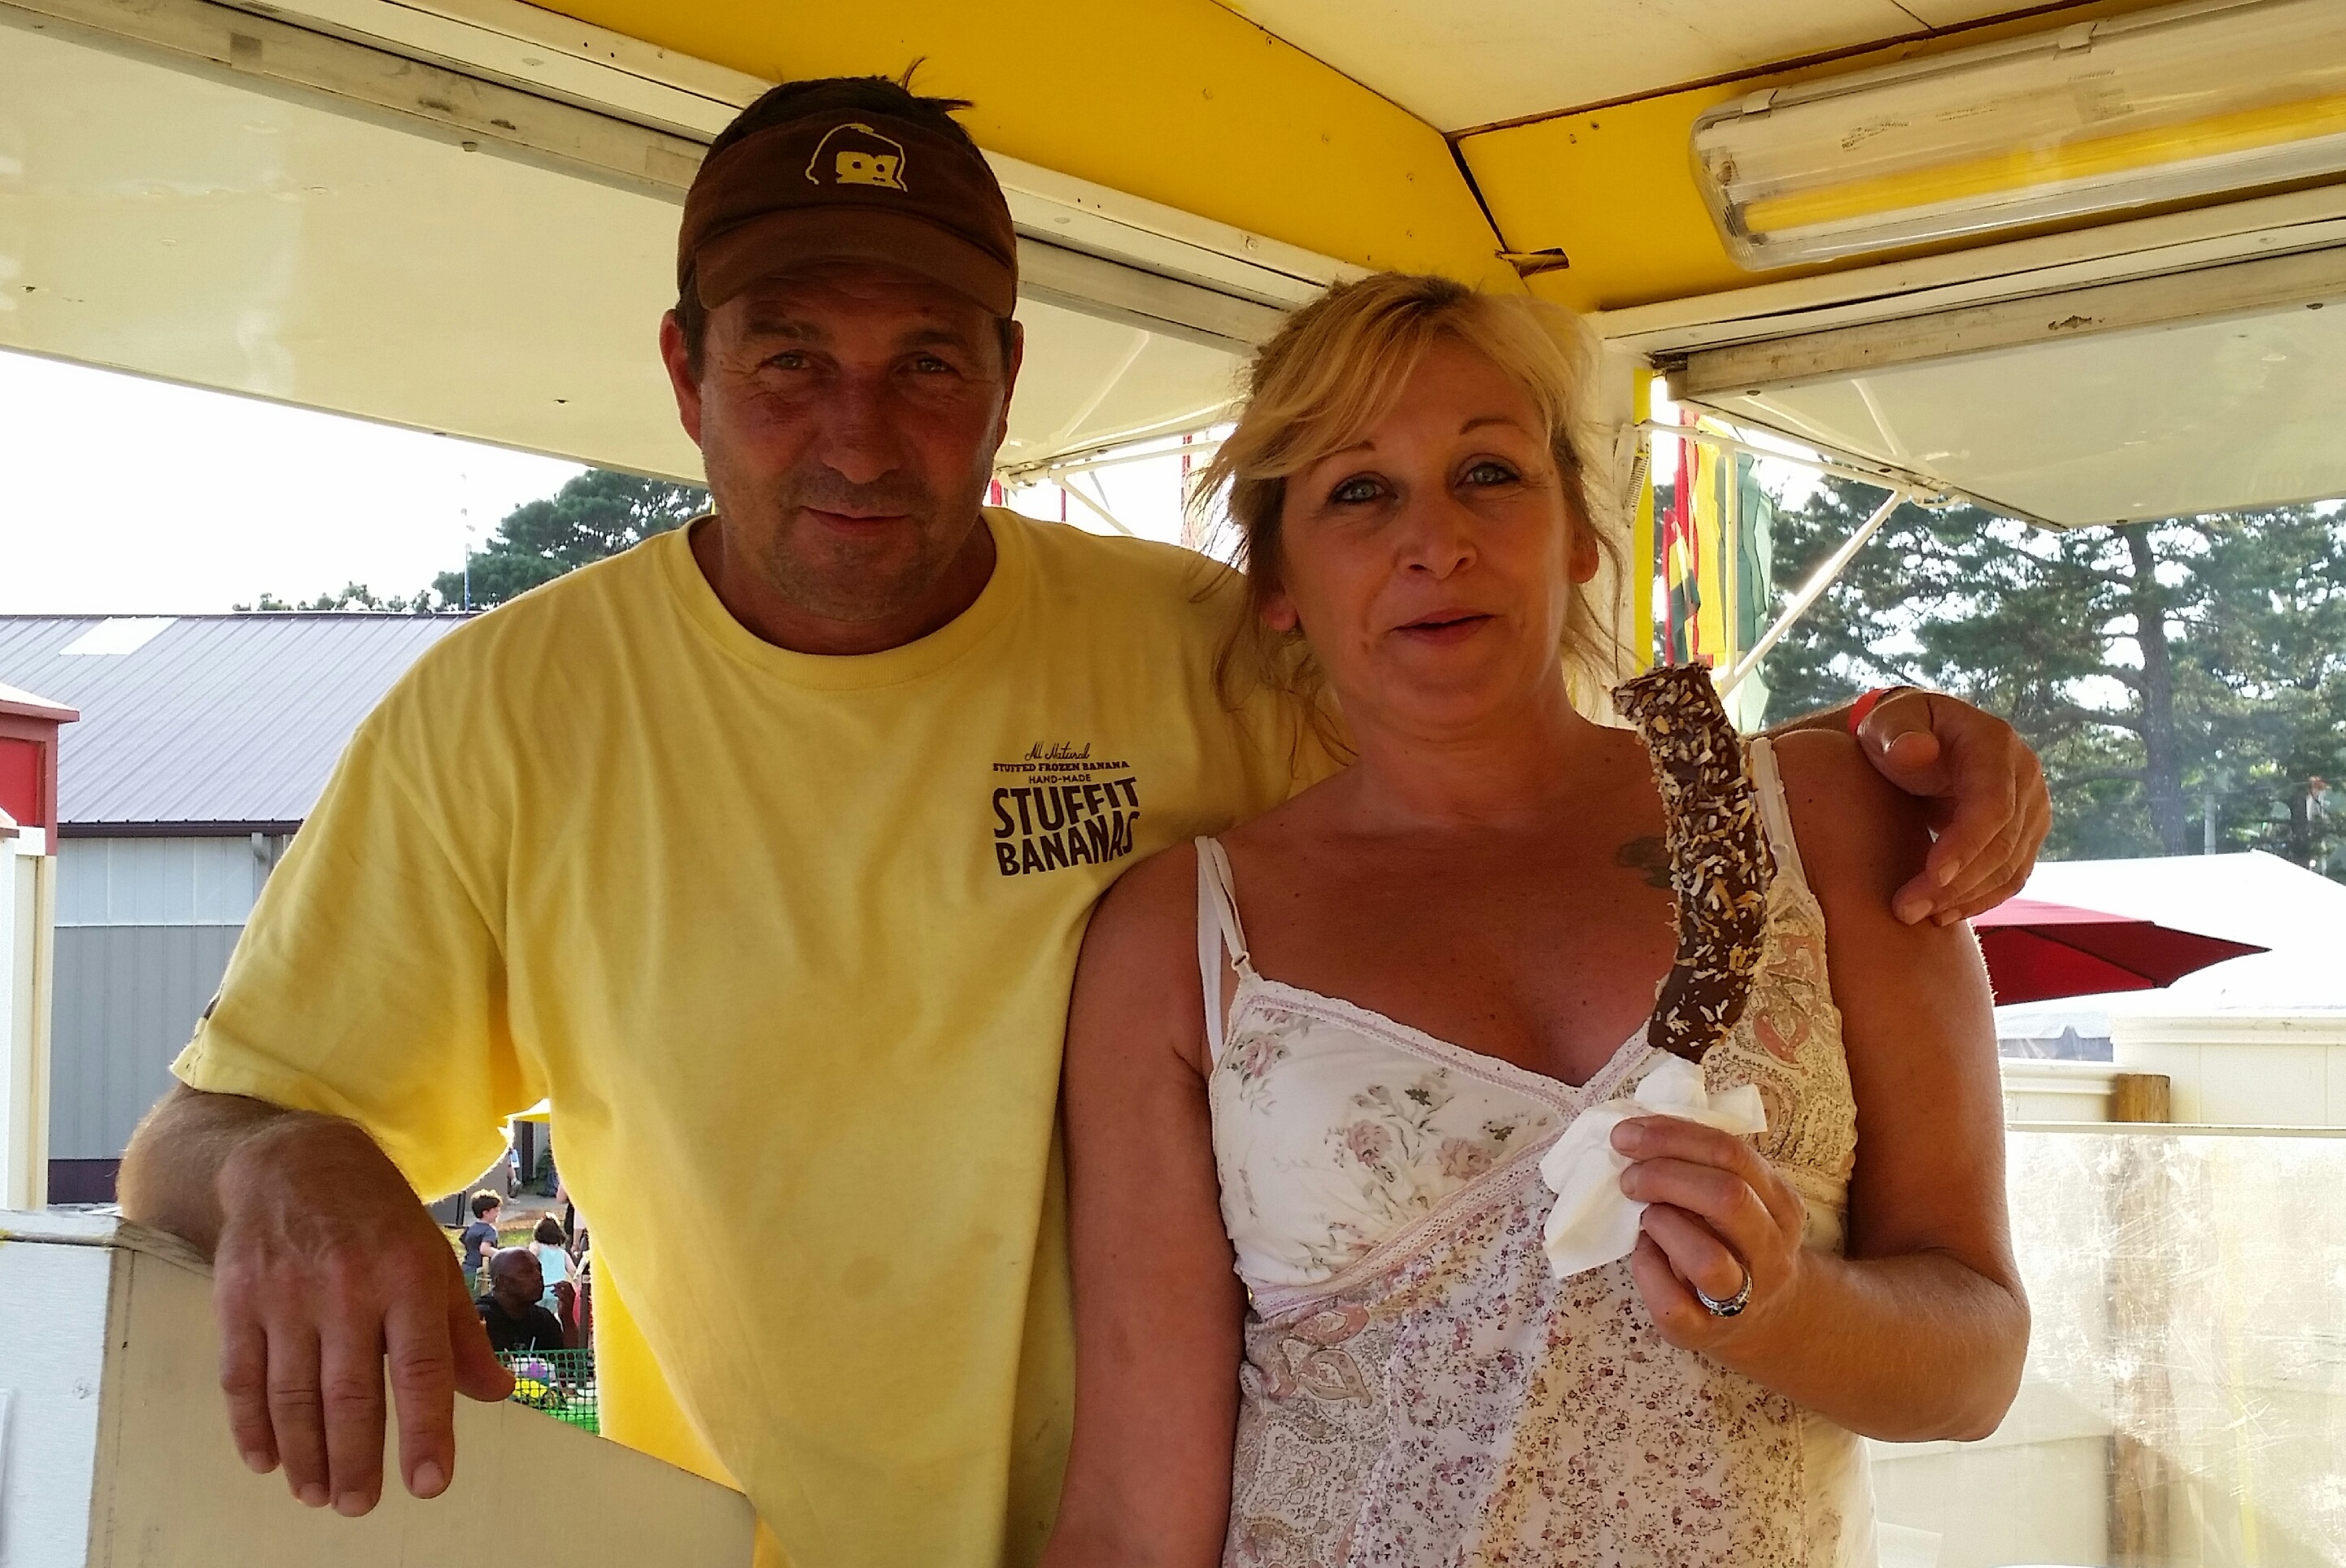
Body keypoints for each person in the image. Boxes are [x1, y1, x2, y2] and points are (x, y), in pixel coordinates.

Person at [113, 73, 2049, 1568]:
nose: (861, 433)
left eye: (927, 365)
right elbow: (197, 1134)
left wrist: (1892, 745)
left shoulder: (1194, 638)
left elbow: (1494, 710)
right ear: (686, 374)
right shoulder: (505, 723)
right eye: (791, 361)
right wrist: (289, 1170)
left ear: (1007, 388)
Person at [1043, 274, 2030, 1565]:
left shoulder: (1826, 819)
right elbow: (1134, 1510)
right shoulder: (1180, 938)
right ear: (1277, 580)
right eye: (1358, 492)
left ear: (1575, 528)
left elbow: (1976, 1358)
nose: (1435, 541)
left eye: (1490, 473)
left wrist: (1788, 1311)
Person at [476, 1248, 567, 1356]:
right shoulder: (479, 1319)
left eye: (539, 1269)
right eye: (527, 1272)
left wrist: (567, 1318)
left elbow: (569, 1365)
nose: (538, 1276)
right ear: (501, 1282)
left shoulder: (542, 1318)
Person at [457, 1190, 500, 1296]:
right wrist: (500, 1254)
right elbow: (484, 1249)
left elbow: (463, 1240)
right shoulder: (489, 1230)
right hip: (480, 1272)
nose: (498, 1214)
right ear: (485, 1213)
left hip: (466, 1268)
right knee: (480, 1299)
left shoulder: (471, 1228)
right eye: (496, 1211)